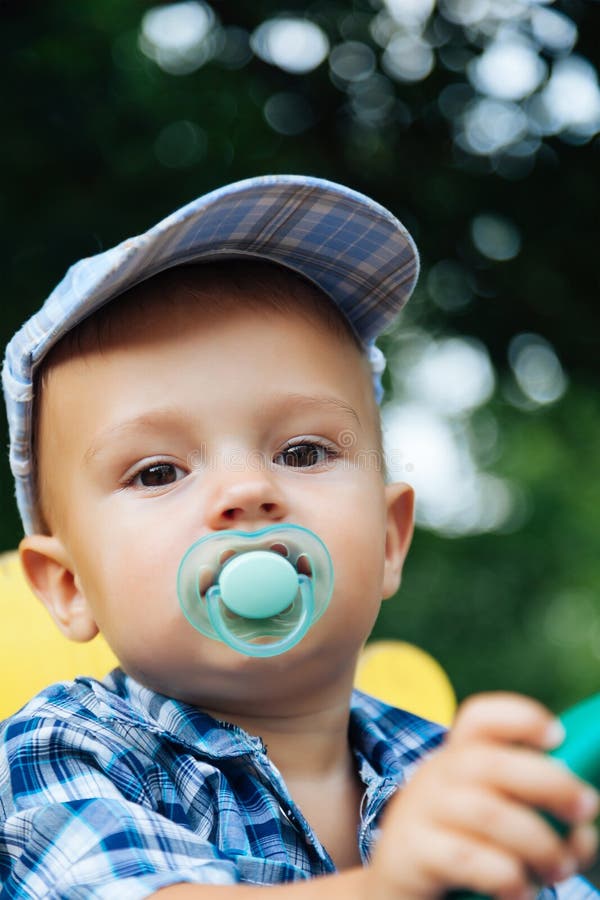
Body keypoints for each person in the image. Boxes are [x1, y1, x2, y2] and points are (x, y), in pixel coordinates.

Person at [0, 175, 597, 900]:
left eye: (303, 453)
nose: (247, 489)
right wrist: (393, 888)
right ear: (68, 588)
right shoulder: (67, 749)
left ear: (386, 540)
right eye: (158, 471)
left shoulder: (445, 774)